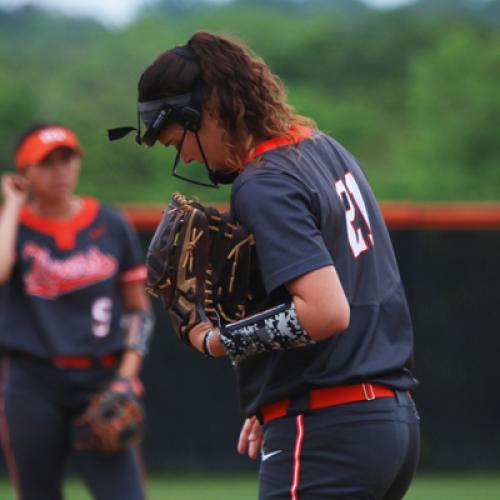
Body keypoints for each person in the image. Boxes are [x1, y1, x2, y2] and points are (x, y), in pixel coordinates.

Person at [129, 31, 420, 499]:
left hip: (329, 429)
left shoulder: (263, 182)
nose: (182, 156)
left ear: (205, 112)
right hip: (390, 421)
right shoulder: (323, 149)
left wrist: (215, 340)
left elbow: (326, 312)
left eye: (175, 139)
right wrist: (275, 390)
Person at [0, 123, 153, 500]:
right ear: (25, 172)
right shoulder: (15, 228)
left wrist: (125, 378)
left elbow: (139, 311)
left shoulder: (110, 222)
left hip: (102, 380)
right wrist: (13, 206)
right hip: (34, 384)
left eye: (66, 159)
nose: (59, 171)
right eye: (46, 162)